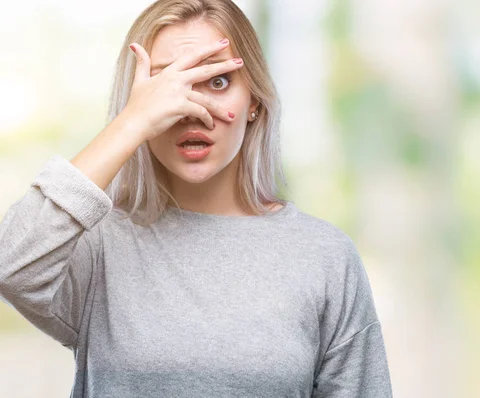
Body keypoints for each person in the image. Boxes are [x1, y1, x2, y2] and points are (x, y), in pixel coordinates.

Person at [0, 0, 393, 397]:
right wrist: (131, 122)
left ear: (253, 101)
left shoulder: (324, 257)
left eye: (218, 81)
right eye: (167, 84)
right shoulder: (99, 248)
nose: (193, 109)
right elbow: (12, 266)